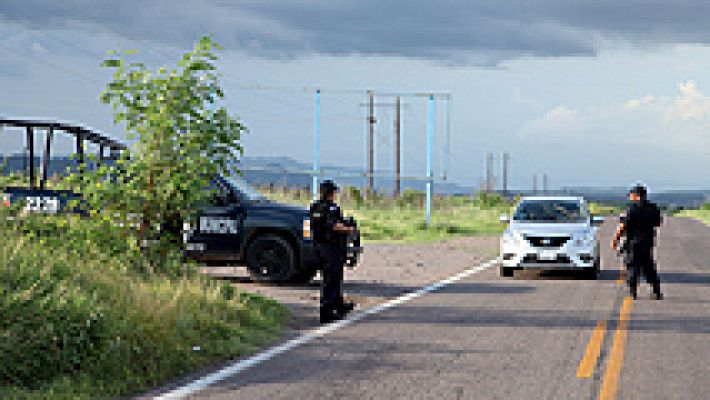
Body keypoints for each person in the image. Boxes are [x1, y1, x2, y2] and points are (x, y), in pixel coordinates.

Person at [310, 180, 356, 323]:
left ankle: (339, 305)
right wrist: (349, 229)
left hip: (319, 246)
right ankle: (327, 311)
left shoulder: (314, 207)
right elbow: (335, 225)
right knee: (331, 279)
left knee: (332, 277)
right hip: (332, 247)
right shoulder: (331, 208)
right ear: (331, 193)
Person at [610, 184, 663, 300]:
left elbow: (622, 226)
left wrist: (615, 240)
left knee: (633, 266)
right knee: (649, 267)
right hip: (647, 242)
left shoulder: (631, 209)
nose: (630, 197)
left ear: (636, 196)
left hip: (633, 242)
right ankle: (656, 290)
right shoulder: (653, 208)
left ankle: (632, 290)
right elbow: (658, 223)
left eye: (631, 195)